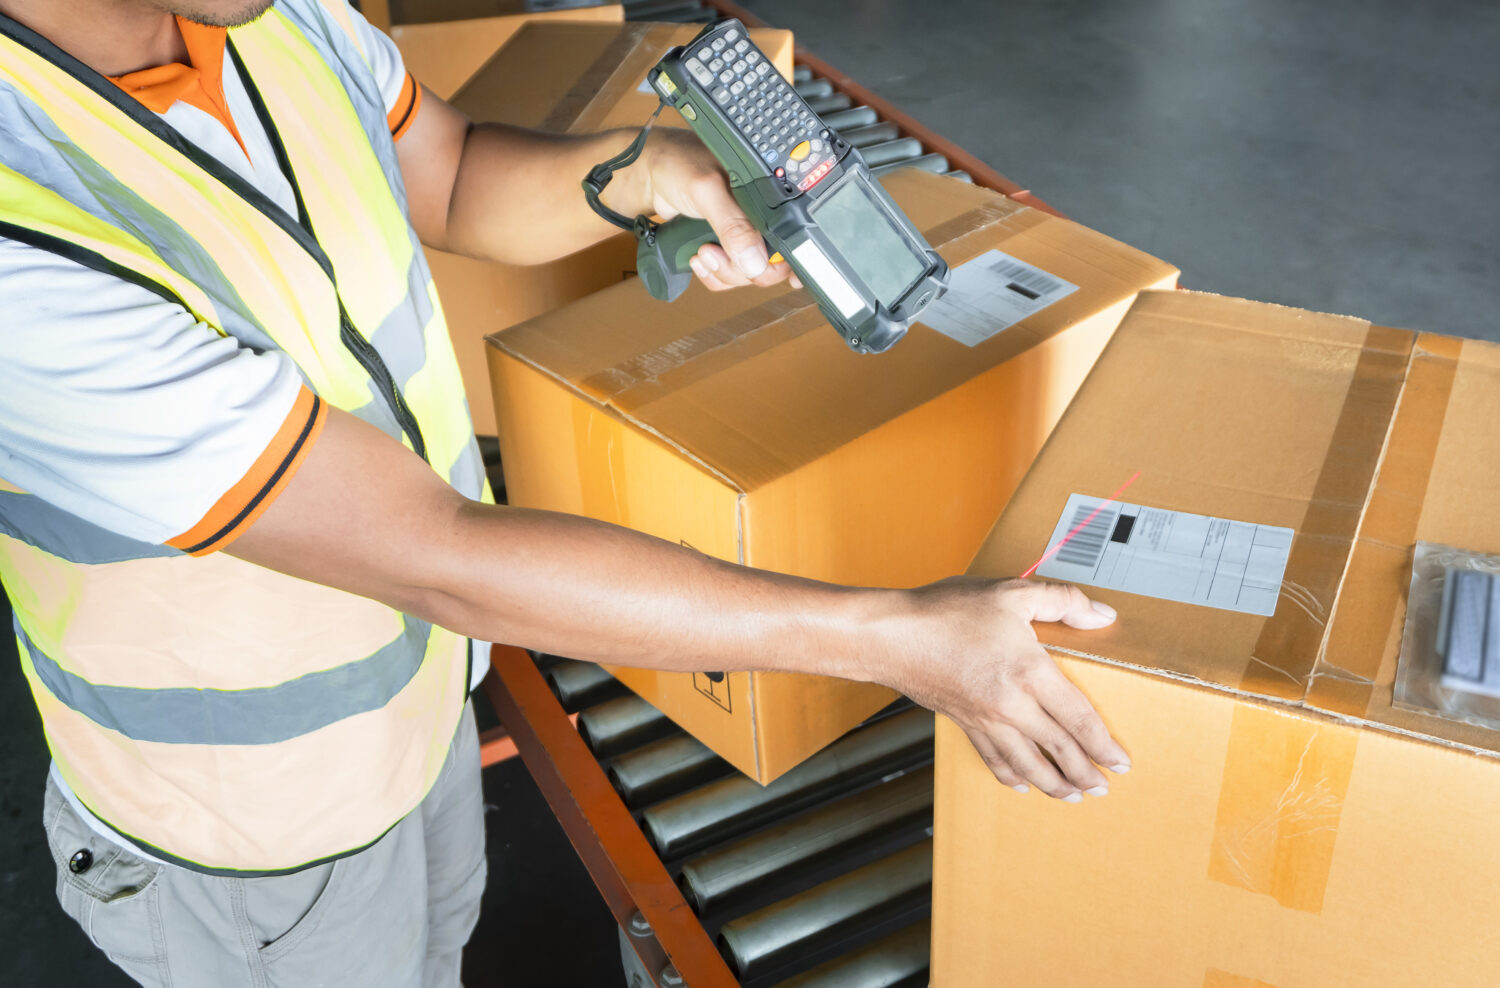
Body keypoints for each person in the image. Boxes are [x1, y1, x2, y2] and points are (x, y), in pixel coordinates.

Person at [0, 0, 1131, 984]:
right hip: (253, 827)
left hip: (422, 699)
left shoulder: (277, 13)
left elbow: (444, 174)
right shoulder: (22, 241)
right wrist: (897, 636)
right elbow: (439, 551)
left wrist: (639, 174)